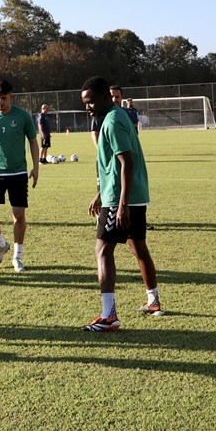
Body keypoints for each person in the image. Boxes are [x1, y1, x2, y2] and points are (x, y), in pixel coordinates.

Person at [81, 77, 162, 331]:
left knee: (103, 250)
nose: (88, 107)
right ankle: (154, 301)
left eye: (91, 101)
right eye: (85, 103)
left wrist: (121, 204)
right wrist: (100, 193)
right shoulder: (115, 116)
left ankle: (109, 316)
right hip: (129, 195)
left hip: (122, 198)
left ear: (105, 96)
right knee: (138, 246)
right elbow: (112, 166)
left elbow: (126, 162)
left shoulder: (113, 121)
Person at [0, 79, 40, 272]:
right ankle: (2, 244)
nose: (0, 102)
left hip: (18, 173)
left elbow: (32, 141)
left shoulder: (23, 117)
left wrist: (36, 167)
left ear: (10, 97)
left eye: (3, 98)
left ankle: (17, 257)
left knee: (18, 215)